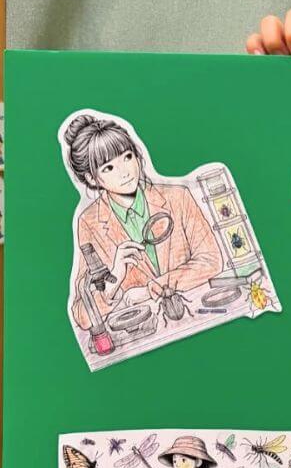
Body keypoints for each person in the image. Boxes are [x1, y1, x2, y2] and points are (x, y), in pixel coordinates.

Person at [62, 114, 222, 330]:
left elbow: (211, 261)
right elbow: (82, 315)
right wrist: (114, 280)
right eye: (108, 168)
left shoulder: (178, 197)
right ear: (92, 178)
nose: (125, 171)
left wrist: (150, 290)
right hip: (146, 334)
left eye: (127, 157)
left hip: (204, 320)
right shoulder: (89, 222)